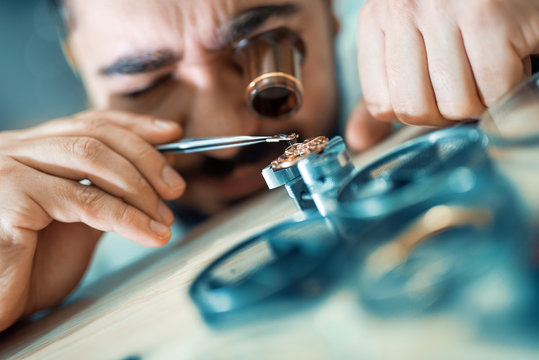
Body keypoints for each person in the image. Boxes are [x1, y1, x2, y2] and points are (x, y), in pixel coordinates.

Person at [0, 0, 537, 332]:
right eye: (146, 84)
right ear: (76, 60)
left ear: (330, 10)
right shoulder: (38, 236)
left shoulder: (448, 34)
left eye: (265, 51)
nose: (221, 136)